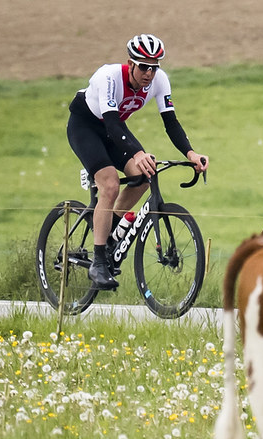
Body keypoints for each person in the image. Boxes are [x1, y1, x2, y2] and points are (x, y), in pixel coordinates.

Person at [66, 34, 209, 290]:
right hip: (86, 126)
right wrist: (137, 153)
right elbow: (110, 122)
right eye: (143, 66)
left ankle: (110, 231)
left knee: (145, 174)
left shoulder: (159, 81)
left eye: (154, 67)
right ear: (130, 63)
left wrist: (191, 154)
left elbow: (171, 123)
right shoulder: (109, 77)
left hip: (115, 129)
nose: (149, 74)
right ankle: (98, 263)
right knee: (109, 184)